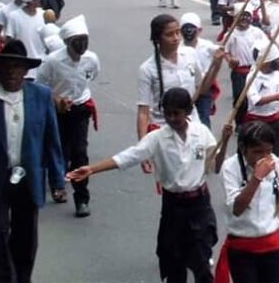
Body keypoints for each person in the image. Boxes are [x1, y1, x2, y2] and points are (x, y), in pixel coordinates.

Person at [68, 87, 229, 283]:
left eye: (176, 113)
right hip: (174, 206)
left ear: (187, 112)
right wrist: (92, 169)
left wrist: (226, 140)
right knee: (174, 262)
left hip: (200, 205)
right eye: (167, 113)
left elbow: (216, 165)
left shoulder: (201, 132)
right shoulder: (157, 138)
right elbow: (128, 157)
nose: (171, 118)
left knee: (202, 262)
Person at [0, 39, 66, 283]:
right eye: (6, 66)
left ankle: (22, 278)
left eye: (17, 67)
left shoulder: (41, 96)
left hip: (28, 178)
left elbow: (51, 140)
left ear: (26, 71)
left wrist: (58, 179)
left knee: (25, 237)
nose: (11, 72)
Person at [217, 120, 279, 283]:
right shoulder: (230, 167)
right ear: (243, 148)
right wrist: (257, 178)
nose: (264, 157)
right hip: (242, 249)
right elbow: (237, 208)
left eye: (268, 151)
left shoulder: (274, 162)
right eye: (257, 152)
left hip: (271, 246)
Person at [34, 14, 99, 218]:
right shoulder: (53, 61)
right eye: (76, 41)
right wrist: (57, 100)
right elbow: (39, 85)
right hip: (57, 110)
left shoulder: (92, 59)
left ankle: (82, 198)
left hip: (80, 108)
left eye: (84, 40)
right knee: (58, 148)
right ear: (66, 42)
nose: (81, 45)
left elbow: (92, 76)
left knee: (80, 152)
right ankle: (57, 184)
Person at [138, 14, 201, 139]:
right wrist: (143, 145)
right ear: (157, 39)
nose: (176, 38)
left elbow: (200, 86)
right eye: (169, 34)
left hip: (193, 126)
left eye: (178, 32)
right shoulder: (148, 69)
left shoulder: (191, 55)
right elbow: (143, 111)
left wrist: (216, 65)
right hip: (164, 131)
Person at [244, 41, 279, 158]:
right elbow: (256, 101)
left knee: (275, 154)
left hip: (274, 120)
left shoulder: (277, 75)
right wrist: (276, 97)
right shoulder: (253, 76)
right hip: (257, 120)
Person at [180, 13, 221, 129]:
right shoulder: (179, 48)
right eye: (185, 28)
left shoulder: (206, 45)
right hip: (187, 88)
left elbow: (220, 51)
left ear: (199, 30)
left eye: (191, 28)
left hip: (205, 86)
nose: (188, 31)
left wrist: (224, 59)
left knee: (203, 116)